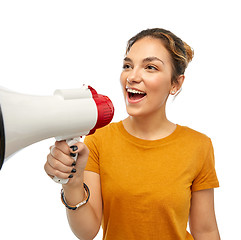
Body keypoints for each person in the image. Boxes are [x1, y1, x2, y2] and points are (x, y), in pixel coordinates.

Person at [45, 28, 220, 240]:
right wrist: (72, 182)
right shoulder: (98, 141)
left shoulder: (198, 146)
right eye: (128, 66)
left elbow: (205, 230)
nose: (133, 76)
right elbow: (87, 231)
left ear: (175, 84)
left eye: (150, 67)